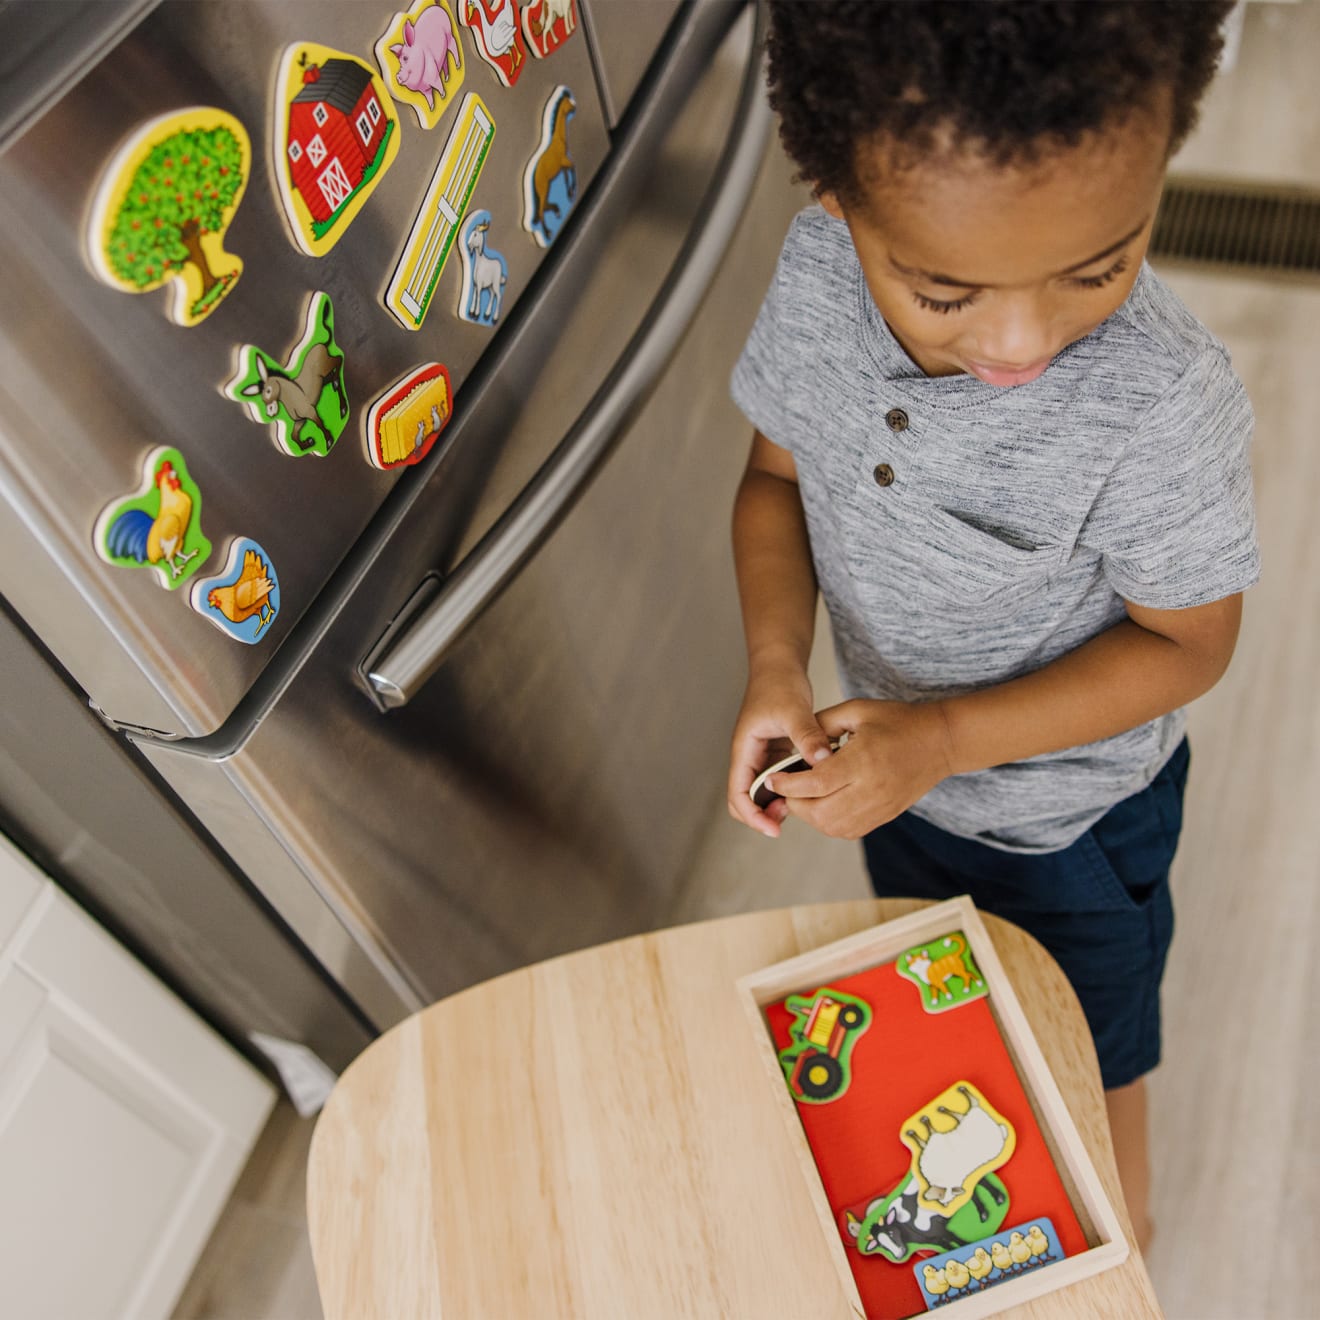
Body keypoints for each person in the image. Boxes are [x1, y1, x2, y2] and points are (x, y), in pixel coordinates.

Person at [726, 0, 1256, 1252]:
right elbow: (773, 484)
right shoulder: (817, 272)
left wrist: (948, 738)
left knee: (1091, 1077)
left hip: (1074, 824)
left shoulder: (1161, 406)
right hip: (903, 797)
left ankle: (1123, 1259)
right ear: (840, 205)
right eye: (944, 292)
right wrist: (772, 667)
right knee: (951, 1034)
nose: (1022, 343)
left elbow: (1191, 642)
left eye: (1099, 265)